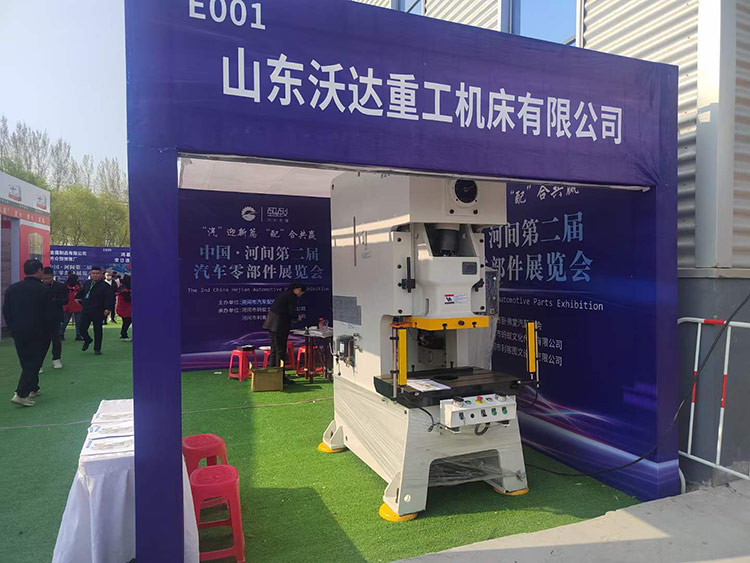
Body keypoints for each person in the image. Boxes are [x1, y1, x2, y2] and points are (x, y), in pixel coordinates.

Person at [2, 259, 57, 407]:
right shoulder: (44, 290)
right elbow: (49, 314)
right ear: (39, 271)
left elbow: (6, 310)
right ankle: (21, 394)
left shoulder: (12, 289)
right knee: (34, 362)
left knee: (26, 360)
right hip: (39, 331)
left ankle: (33, 387)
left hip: (18, 331)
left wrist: (12, 327)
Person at [262, 283, 306, 383]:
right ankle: (280, 376)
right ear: (298, 289)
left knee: (274, 350)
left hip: (271, 324)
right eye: (301, 293)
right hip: (280, 326)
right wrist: (297, 317)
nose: (300, 295)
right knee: (280, 351)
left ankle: (272, 373)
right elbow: (291, 312)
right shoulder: (292, 296)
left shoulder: (284, 294)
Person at [76, 266, 110, 355]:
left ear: (101, 274)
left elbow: (109, 298)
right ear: (90, 274)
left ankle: (97, 349)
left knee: (98, 330)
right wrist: (77, 298)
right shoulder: (87, 283)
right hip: (86, 309)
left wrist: (107, 308)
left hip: (99, 310)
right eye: (93, 273)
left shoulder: (105, 285)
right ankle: (87, 339)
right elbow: (81, 292)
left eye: (97, 273)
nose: (95, 275)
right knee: (81, 328)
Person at [42, 267, 68, 369]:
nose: (46, 280)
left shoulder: (60, 286)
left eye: (48, 278)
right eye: (44, 278)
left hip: (55, 317)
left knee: (56, 340)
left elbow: (65, 300)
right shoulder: (38, 286)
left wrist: (55, 300)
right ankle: (39, 362)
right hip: (41, 318)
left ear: (52, 277)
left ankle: (56, 359)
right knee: (42, 341)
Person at [61, 273, 83, 341]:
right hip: (68, 306)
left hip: (77, 306)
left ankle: (78, 335)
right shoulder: (65, 287)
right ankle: (61, 334)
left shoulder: (78, 286)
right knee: (65, 321)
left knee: (78, 322)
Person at [116, 275, 132, 341]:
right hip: (124, 309)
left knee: (126, 321)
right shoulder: (124, 290)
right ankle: (123, 335)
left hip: (124, 308)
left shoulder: (122, 288)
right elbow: (128, 299)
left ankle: (123, 334)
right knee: (127, 321)